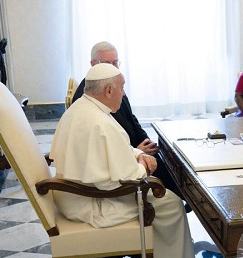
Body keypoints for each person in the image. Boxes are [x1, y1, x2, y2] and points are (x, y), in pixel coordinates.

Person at [50, 63, 198, 258]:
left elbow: (112, 152)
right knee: (170, 203)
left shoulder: (81, 109)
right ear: (108, 90)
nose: (124, 93)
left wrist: (138, 155)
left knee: (165, 198)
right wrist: (144, 165)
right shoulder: (101, 122)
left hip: (75, 196)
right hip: (94, 203)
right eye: (122, 88)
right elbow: (123, 179)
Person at [71, 41, 184, 204]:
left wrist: (144, 144)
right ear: (93, 64)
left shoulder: (108, 87)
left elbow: (131, 120)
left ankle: (188, 198)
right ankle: (190, 200)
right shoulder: (93, 101)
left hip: (130, 150)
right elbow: (103, 159)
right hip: (109, 190)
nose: (113, 67)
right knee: (171, 179)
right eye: (107, 63)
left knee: (170, 159)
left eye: (115, 62)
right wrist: (136, 152)